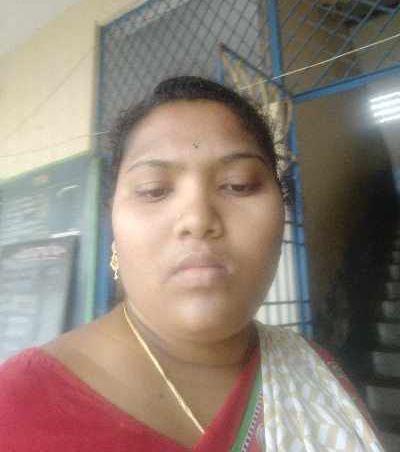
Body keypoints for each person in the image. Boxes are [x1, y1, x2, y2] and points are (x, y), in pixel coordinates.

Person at [0, 76, 383, 451]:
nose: (198, 219)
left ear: (282, 212)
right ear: (113, 222)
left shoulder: (318, 371)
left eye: (240, 184)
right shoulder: (15, 407)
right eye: (153, 190)